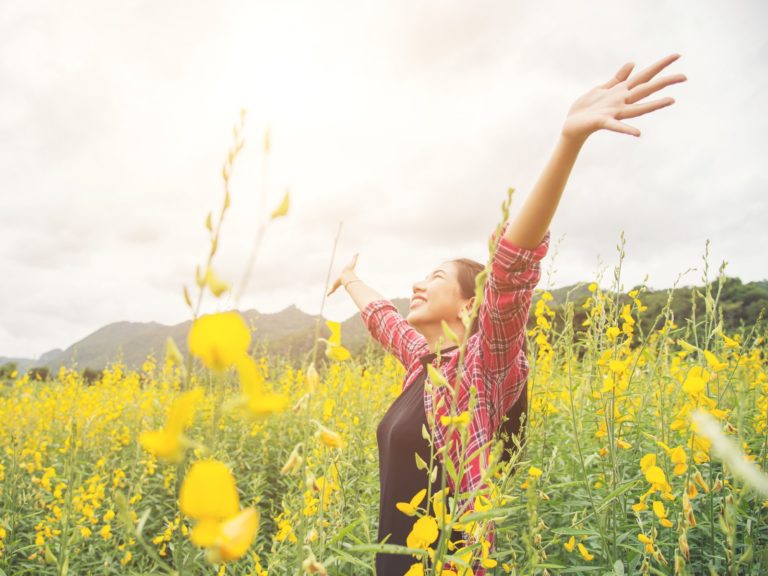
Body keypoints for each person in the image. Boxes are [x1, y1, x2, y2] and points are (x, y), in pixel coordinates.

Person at [327, 53, 687, 575]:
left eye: (435, 277)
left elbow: (512, 273)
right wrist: (351, 278)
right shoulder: (425, 369)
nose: (417, 284)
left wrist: (568, 141)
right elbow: (386, 320)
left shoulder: (482, 373)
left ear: (470, 304)